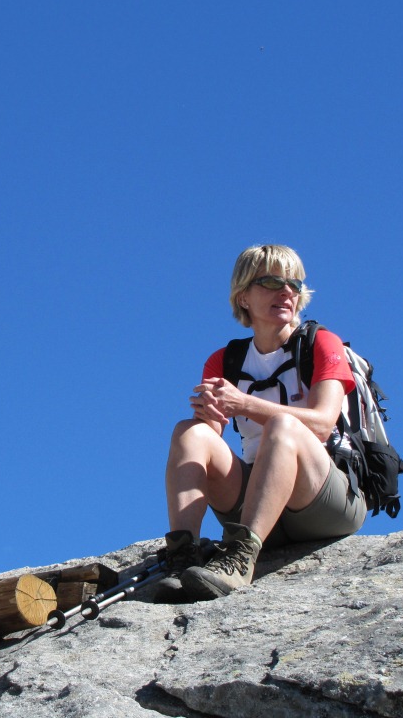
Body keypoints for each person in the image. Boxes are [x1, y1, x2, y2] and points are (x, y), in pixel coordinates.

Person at [155, 244, 366, 603]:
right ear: (243, 297)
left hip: (323, 503)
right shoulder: (226, 360)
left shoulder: (320, 343)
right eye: (271, 282)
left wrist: (244, 403)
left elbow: (322, 424)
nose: (286, 292)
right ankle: (183, 557)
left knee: (283, 426)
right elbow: (210, 439)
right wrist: (209, 414)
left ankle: (240, 560)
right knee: (188, 432)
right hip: (260, 506)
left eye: (294, 284)